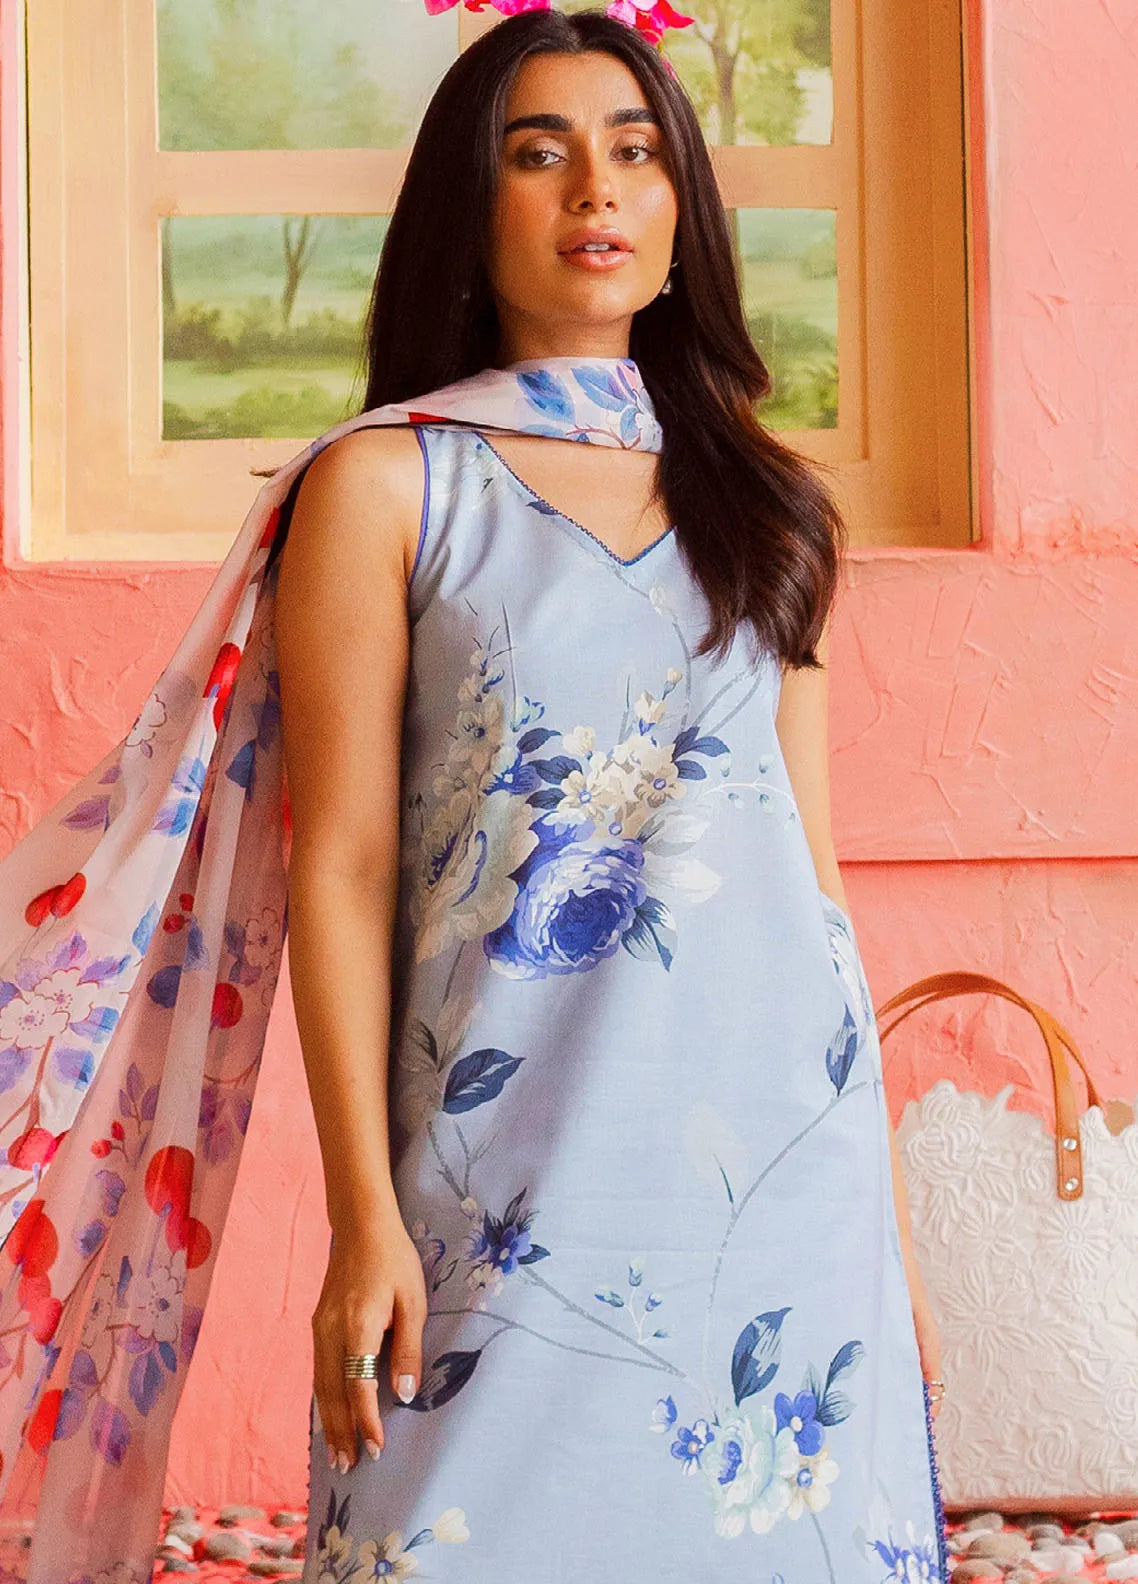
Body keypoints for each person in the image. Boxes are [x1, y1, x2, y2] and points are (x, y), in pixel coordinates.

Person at [267, 9, 949, 1583]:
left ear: (679, 210)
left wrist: (883, 1236)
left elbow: (812, 883)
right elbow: (345, 867)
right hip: (502, 1164)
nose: (597, 187)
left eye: (637, 152)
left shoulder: (771, 506)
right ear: (470, 206)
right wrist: (362, 1216)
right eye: (540, 152)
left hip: (776, 1169)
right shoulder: (391, 483)